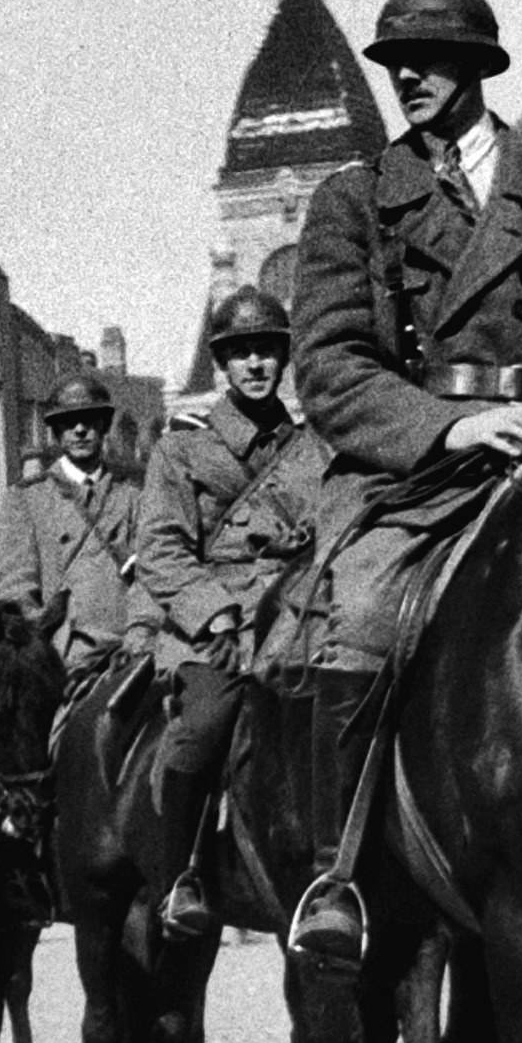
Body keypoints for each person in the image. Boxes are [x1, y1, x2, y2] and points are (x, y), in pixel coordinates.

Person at [283, 0, 522, 965]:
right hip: (413, 473)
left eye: (430, 60)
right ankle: (339, 872)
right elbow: (330, 367)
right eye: (396, 63)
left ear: (480, 67)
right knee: (357, 614)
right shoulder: (353, 201)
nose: (408, 77)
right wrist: (452, 427)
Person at [132, 290, 330, 938]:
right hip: (214, 623)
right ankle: (181, 878)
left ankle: (344, 876)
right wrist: (215, 616)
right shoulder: (182, 451)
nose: (256, 365)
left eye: (268, 351)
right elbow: (160, 549)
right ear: (221, 363)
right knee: (205, 724)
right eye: (242, 353)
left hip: (300, 614)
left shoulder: (315, 448)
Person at [0, 373, 138, 689]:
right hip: (65, 657)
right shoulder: (28, 498)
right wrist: (39, 640)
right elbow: (14, 590)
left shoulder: (132, 494)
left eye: (90, 420)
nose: (80, 429)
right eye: (68, 422)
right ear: (56, 432)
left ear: (104, 425)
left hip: (132, 647)